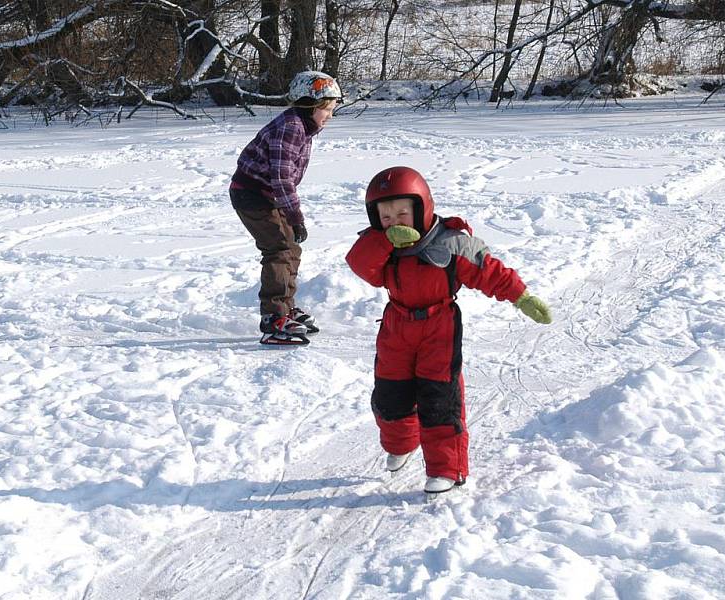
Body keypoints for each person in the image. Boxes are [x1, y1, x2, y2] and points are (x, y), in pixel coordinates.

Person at [345, 166, 552, 495]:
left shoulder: (449, 242)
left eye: (403, 212)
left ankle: (446, 468)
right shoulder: (379, 245)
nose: (395, 221)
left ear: (422, 208)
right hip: (396, 327)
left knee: (440, 397)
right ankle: (401, 444)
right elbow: (362, 267)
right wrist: (383, 242)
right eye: (385, 216)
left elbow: (488, 271)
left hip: (438, 327)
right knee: (390, 395)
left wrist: (520, 296)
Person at [230, 70, 342, 345]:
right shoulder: (291, 127)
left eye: (332, 108)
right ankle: (273, 317)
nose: (330, 114)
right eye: (326, 108)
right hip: (252, 195)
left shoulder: (303, 127)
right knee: (278, 249)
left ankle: (286, 308)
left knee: (291, 246)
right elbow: (281, 177)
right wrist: (295, 216)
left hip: (266, 195)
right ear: (308, 105)